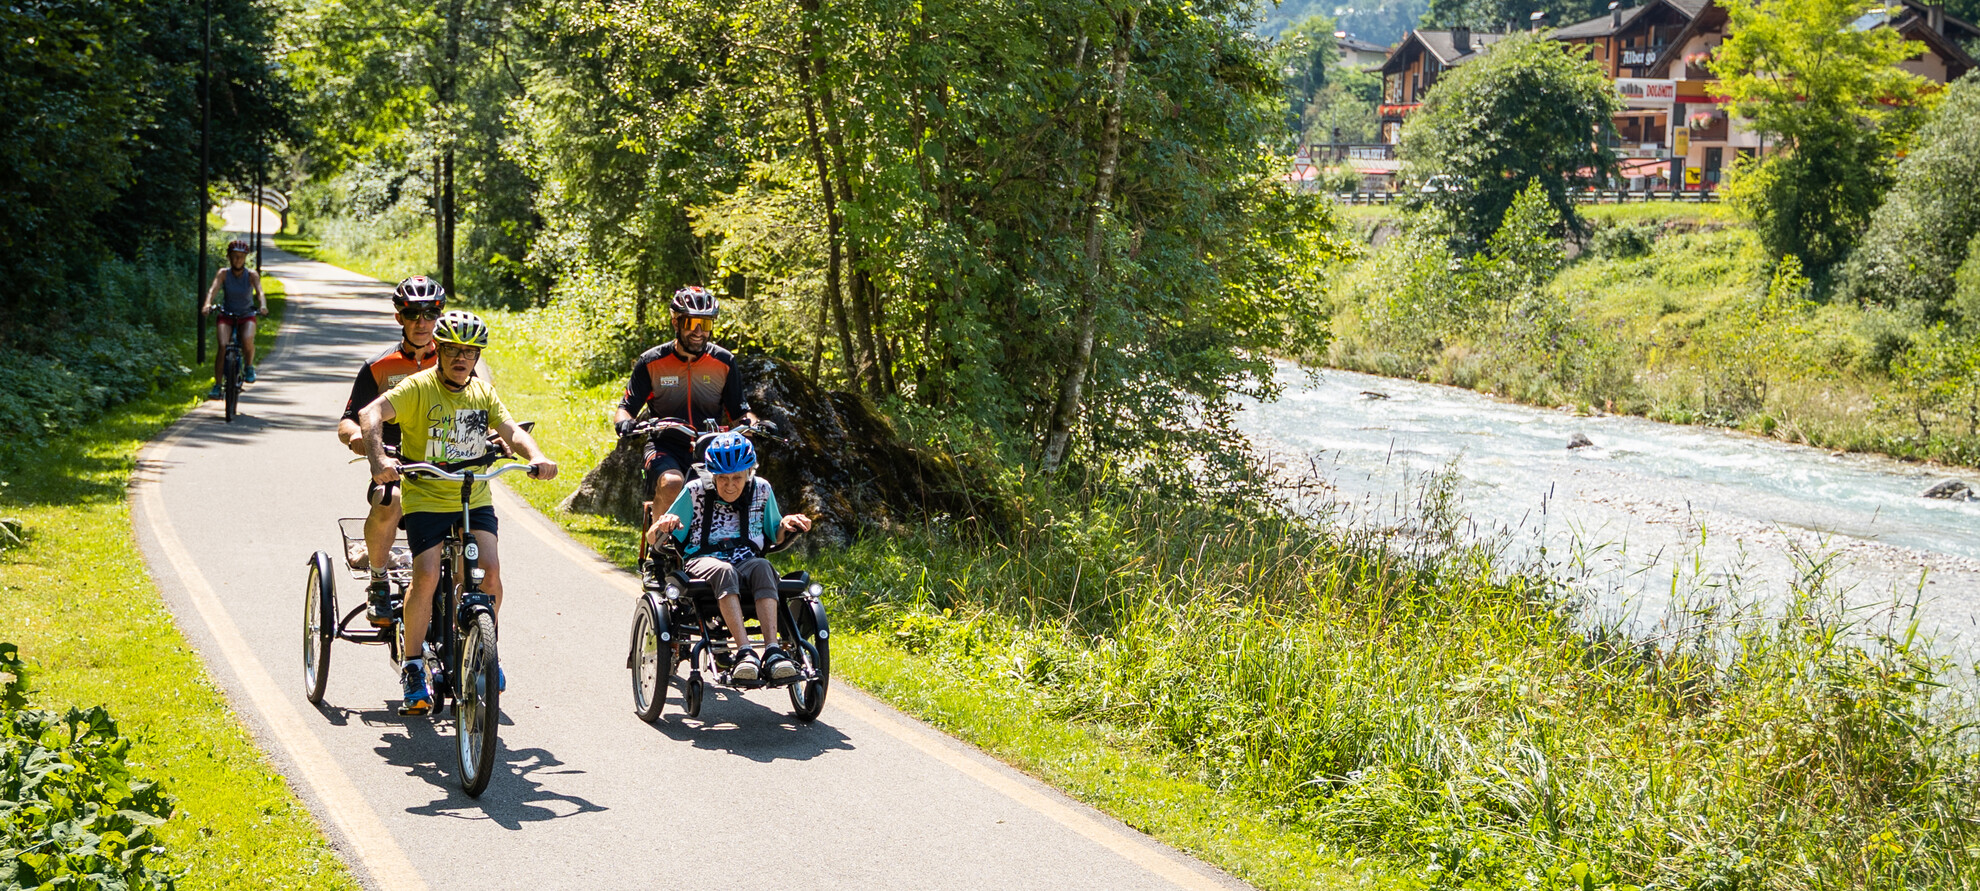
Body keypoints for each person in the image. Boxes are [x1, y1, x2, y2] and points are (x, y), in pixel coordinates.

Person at [359, 310, 557, 715]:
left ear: (477, 356)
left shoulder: (482, 393)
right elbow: (369, 414)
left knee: (490, 571)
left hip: (472, 495)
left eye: (469, 352)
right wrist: (379, 460)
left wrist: (536, 456)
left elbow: (512, 430)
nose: (461, 358)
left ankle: (484, 649)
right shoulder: (418, 387)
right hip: (427, 496)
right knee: (427, 574)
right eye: (452, 350)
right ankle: (413, 666)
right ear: (440, 350)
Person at [650, 432, 811, 682]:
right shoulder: (694, 491)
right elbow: (653, 538)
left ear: (749, 473)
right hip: (703, 559)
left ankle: (773, 652)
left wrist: (787, 523)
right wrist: (664, 524)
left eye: (737, 478)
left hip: (747, 560)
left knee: (763, 566)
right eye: (722, 478)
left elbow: (776, 533)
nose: (730, 485)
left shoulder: (762, 489)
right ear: (712, 475)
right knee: (724, 570)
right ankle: (745, 653)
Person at [337, 276, 450, 626]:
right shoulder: (378, 366)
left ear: (439, 316)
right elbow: (347, 421)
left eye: (430, 313)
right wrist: (357, 439)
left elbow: (480, 409)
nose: (422, 322)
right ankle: (378, 581)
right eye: (413, 313)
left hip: (444, 462)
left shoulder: (454, 360)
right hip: (395, 462)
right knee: (390, 499)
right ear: (399, 317)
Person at [611, 286, 759, 556]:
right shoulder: (651, 361)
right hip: (664, 445)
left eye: (706, 324)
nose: (699, 331)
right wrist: (624, 423)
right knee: (671, 482)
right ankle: (658, 554)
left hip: (712, 448)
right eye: (692, 323)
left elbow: (740, 410)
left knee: (738, 483)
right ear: (675, 322)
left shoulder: (724, 361)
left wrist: (754, 424)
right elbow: (626, 408)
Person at [200, 238, 269, 397]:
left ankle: (249, 366)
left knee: (247, 339)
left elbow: (260, 292)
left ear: (245, 258)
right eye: (234, 256)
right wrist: (207, 304)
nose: (238, 260)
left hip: (246, 315)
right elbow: (213, 290)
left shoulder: (251, 275)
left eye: (241, 257)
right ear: (229, 257)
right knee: (223, 346)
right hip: (227, 314)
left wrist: (263, 305)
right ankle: (217, 385)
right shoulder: (223, 274)